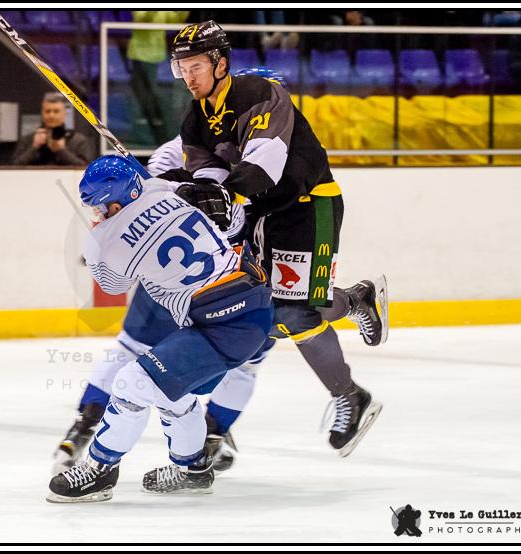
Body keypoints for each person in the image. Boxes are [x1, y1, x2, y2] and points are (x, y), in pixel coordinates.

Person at [169, 20, 385, 456]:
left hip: (307, 205)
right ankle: (353, 300)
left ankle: (350, 396)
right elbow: (210, 175)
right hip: (261, 214)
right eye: (182, 68)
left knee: (291, 312)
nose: (188, 76)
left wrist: (223, 195)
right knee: (262, 312)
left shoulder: (259, 94)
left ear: (220, 63)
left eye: (196, 66)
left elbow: (264, 165)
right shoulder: (196, 120)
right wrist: (197, 190)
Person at [47, 155, 273, 502]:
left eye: (100, 207)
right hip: (248, 302)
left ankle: (99, 470)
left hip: (223, 323)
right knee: (172, 391)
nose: (98, 213)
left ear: (116, 201)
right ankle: (192, 469)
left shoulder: (109, 237)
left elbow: (113, 285)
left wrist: (96, 248)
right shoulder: (165, 189)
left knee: (131, 381)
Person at [126, 11, 189, 144]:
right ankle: (141, 137)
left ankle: (154, 136)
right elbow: (142, 17)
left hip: (156, 56)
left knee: (152, 95)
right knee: (141, 96)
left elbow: (175, 19)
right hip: (140, 55)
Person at [11, 92, 96, 166]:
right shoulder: (28, 140)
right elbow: (13, 167)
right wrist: (34, 147)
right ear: (42, 114)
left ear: (64, 114)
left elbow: (85, 169)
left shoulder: (78, 141)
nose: (51, 115)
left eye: (56, 111)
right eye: (47, 111)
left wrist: (61, 151)